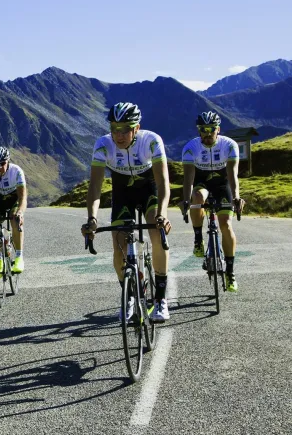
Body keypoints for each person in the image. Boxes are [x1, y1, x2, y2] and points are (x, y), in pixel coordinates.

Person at [81, 102, 173, 322]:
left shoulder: (151, 141)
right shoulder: (103, 145)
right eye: (114, 129)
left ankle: (160, 298)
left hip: (149, 190)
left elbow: (163, 184)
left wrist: (163, 214)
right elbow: (95, 187)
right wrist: (92, 218)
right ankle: (129, 294)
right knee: (119, 244)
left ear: (136, 128)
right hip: (122, 193)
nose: (118, 135)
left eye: (124, 129)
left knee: (157, 235)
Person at [180, 111, 245, 292]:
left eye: (211, 129)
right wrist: (186, 200)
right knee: (197, 198)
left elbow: (233, 176)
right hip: (202, 181)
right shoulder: (190, 147)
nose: (207, 134)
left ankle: (230, 273)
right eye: (203, 130)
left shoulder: (229, 145)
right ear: (198, 130)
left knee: (226, 225)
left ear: (218, 129)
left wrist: (237, 197)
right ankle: (198, 239)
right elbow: (188, 179)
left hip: (222, 183)